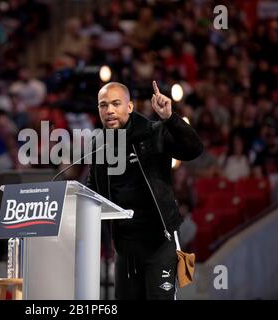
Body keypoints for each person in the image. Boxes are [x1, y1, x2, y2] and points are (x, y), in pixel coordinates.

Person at [86, 81, 203, 300]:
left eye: (115, 103)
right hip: (124, 248)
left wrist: (170, 119)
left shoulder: (154, 132)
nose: (109, 110)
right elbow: (93, 189)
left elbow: (194, 149)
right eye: (103, 105)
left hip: (158, 243)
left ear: (129, 107)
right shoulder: (98, 145)